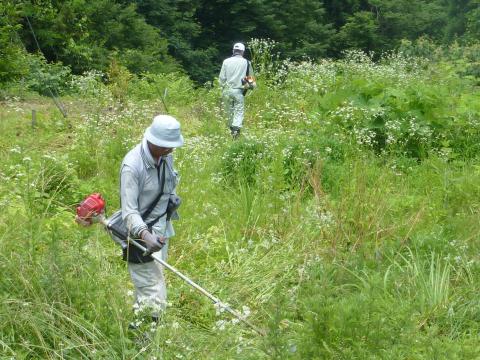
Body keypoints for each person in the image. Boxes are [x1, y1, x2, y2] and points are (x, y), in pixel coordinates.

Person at [114, 114, 183, 324]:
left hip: (161, 228)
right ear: (153, 141)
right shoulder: (132, 166)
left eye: (172, 146)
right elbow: (129, 212)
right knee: (152, 288)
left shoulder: (165, 155)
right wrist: (145, 235)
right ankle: (146, 338)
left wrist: (171, 198)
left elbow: (167, 180)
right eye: (166, 146)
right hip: (139, 236)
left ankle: (143, 326)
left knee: (154, 280)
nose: (171, 150)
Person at [219, 42, 255, 139]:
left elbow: (222, 79)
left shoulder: (226, 61)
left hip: (227, 90)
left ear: (233, 51)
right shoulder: (247, 62)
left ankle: (231, 130)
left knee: (229, 112)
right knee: (238, 111)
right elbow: (250, 77)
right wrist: (252, 86)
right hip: (239, 91)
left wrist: (223, 88)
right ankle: (236, 132)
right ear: (242, 51)